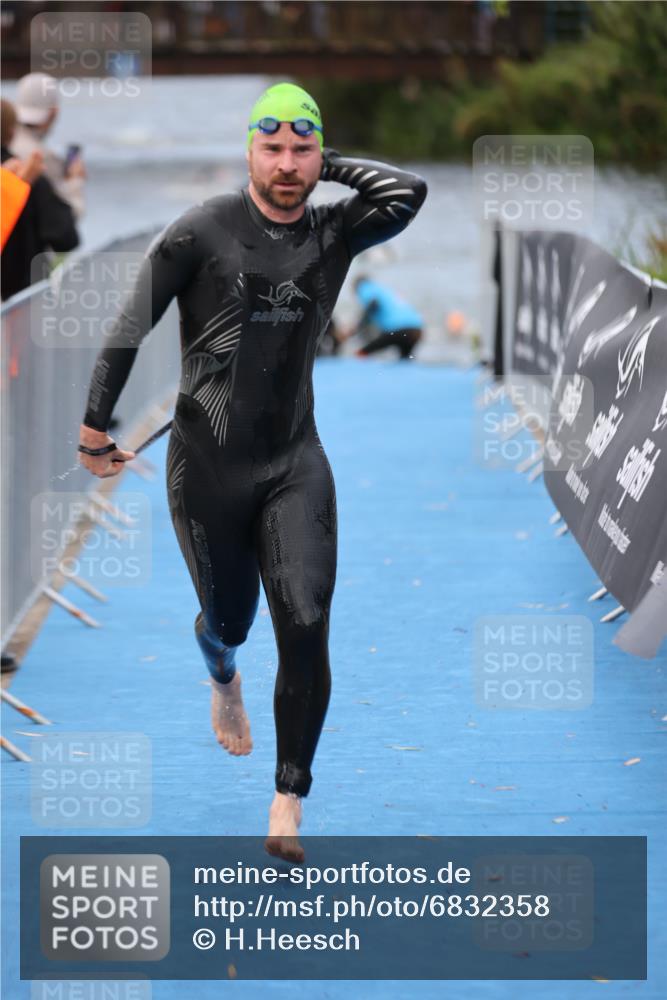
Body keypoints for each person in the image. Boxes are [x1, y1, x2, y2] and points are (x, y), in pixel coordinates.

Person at [77, 82, 427, 861]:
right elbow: (131, 322)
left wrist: (329, 164)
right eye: (272, 148)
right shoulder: (201, 231)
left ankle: (287, 798)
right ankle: (222, 673)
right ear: (248, 150)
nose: (287, 165)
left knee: (303, 623)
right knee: (228, 621)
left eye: (302, 150)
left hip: (293, 464)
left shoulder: (335, 233)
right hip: (204, 468)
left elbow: (409, 191)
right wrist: (94, 425)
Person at [1, 99, 79, 300]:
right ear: (11, 132)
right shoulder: (32, 179)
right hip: (23, 301)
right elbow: (66, 237)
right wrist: (74, 184)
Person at [11, 72, 86, 219]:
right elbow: (66, 222)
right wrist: (75, 181)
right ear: (54, 113)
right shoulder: (43, 158)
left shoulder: (6, 146)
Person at [344, 274, 424, 359]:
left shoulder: (364, 288)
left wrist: (357, 327)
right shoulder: (382, 289)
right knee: (404, 359)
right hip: (417, 329)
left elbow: (374, 304)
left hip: (399, 329)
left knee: (362, 352)